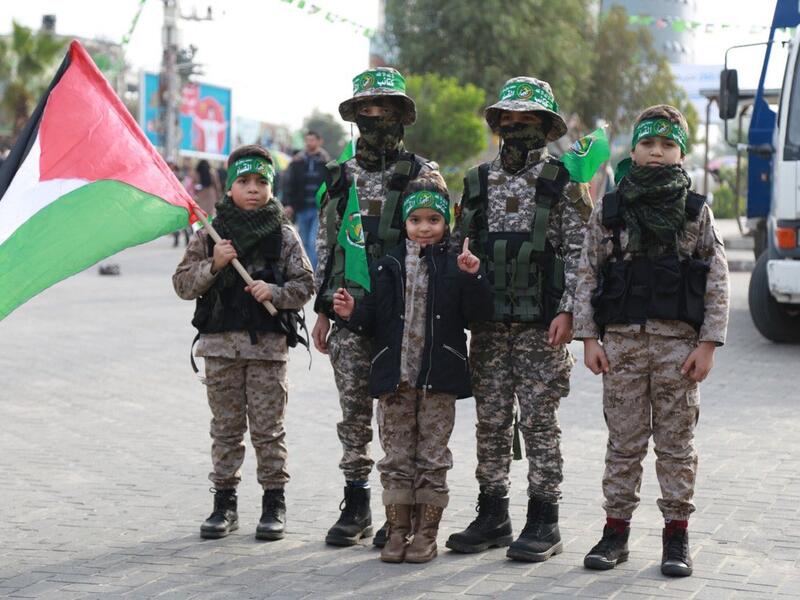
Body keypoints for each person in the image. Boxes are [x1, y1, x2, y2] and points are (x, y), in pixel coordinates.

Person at [573, 105, 730, 576]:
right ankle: (615, 533)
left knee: (676, 446)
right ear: (634, 150)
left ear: (681, 153)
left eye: (667, 144)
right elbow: (588, 272)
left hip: (678, 349)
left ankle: (676, 536)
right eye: (647, 143)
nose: (657, 152)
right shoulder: (611, 209)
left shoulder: (695, 211)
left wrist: (709, 344)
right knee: (623, 444)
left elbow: (717, 279)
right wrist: (588, 338)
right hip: (621, 346)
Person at [447, 77, 592, 562]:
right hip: (489, 325)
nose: (515, 127)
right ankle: (493, 514)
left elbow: (581, 255)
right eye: (508, 120)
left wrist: (569, 311)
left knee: (539, 423)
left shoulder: (563, 181)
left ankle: (544, 519)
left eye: (527, 120)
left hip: (541, 327)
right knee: (490, 422)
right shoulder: (476, 181)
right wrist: (465, 274)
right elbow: (459, 246)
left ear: (546, 127)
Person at [313, 67, 444, 548]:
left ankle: (398, 507)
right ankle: (356, 503)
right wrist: (323, 311)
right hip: (348, 310)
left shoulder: (423, 174)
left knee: (397, 413)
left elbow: (438, 243)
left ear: (400, 115)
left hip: (401, 317)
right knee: (352, 412)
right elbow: (327, 246)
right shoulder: (338, 176)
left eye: (384, 109)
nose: (375, 117)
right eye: (366, 109)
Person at [332, 176, 493, 563]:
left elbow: (478, 314)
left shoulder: (456, 265)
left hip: (438, 382)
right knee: (396, 459)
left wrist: (474, 277)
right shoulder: (386, 266)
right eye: (416, 220)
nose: (424, 228)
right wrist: (353, 313)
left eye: (433, 220)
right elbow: (373, 319)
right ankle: (397, 532)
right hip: (395, 383)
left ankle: (425, 534)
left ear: (446, 223)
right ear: (404, 222)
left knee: (432, 459)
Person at [172, 144, 314, 541]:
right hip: (220, 350)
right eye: (244, 181)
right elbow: (182, 284)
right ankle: (224, 505)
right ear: (229, 187)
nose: (253, 189)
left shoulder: (284, 234)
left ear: (271, 187)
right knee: (226, 430)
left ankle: (274, 504)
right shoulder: (210, 234)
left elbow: (306, 284)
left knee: (269, 431)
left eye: (261, 182)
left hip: (267, 351)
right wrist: (214, 264)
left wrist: (275, 292)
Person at [283, 131, 331, 268]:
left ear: (320, 141)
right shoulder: (297, 161)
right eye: (307, 140)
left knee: (313, 242)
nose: (309, 143)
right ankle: (305, 271)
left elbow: (330, 184)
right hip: (301, 207)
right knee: (302, 242)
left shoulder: (326, 162)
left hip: (319, 208)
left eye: (312, 140)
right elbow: (289, 183)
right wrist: (288, 204)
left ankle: (313, 273)